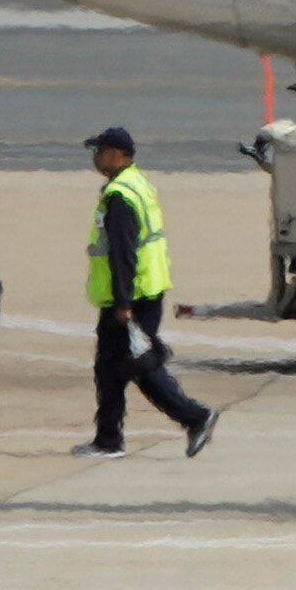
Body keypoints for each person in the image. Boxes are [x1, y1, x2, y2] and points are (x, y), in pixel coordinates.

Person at [84, 126, 216, 459]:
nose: (95, 158)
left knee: (138, 367)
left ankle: (195, 417)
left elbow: (122, 253)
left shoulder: (120, 196)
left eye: (99, 151)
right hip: (147, 290)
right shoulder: (137, 184)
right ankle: (107, 438)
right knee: (111, 368)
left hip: (132, 297)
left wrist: (123, 302)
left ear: (115, 154)